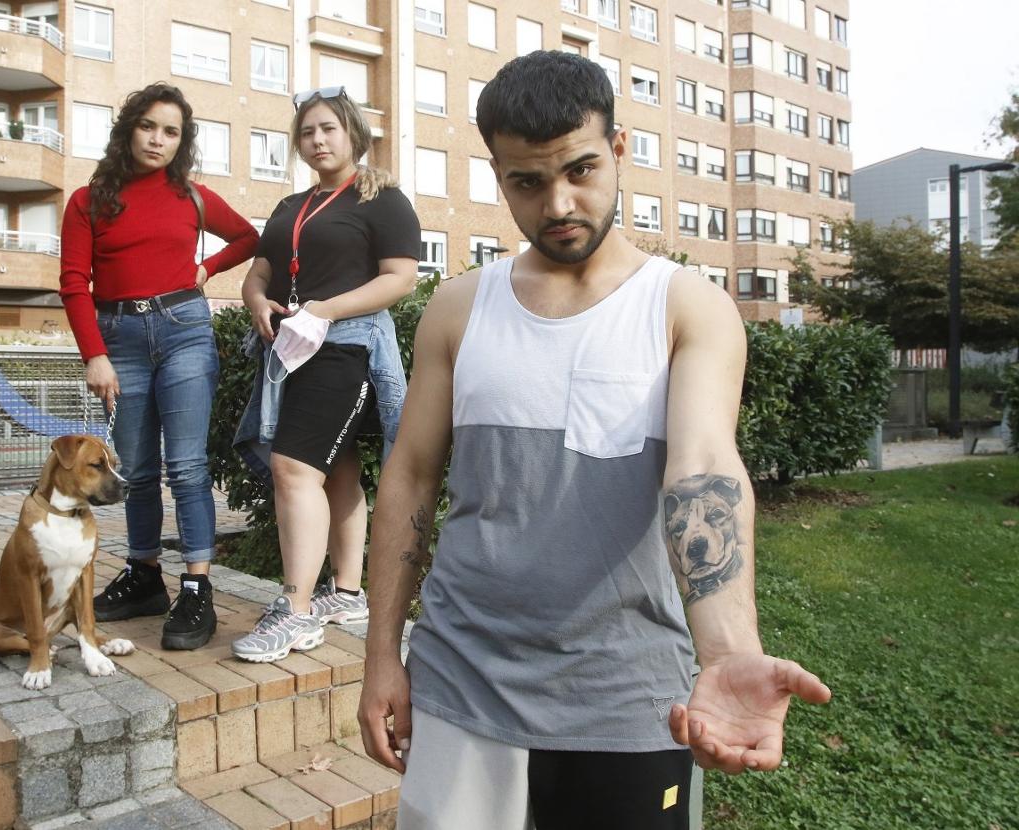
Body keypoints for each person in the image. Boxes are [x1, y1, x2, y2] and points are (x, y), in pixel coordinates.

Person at [356, 52, 832, 829]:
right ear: (498, 176)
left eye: (580, 169)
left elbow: (703, 470)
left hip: (630, 698)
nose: (559, 202)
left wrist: (730, 651)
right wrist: (382, 655)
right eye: (527, 182)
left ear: (618, 150)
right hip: (463, 684)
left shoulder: (688, 308)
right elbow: (407, 478)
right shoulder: (458, 308)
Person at [60, 82, 258, 651]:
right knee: (138, 470)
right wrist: (94, 354)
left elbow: (247, 237)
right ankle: (145, 577)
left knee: (189, 466)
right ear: (129, 128)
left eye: (171, 131)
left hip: (184, 332)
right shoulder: (89, 199)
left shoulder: (191, 197)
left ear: (181, 141)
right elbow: (74, 283)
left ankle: (196, 588)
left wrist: (207, 267)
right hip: (118, 340)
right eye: (149, 126)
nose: (158, 139)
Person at [231, 86, 420, 663]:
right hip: (292, 351)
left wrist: (326, 309)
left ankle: (297, 611)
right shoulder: (291, 207)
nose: (317, 140)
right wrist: (257, 300)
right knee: (332, 469)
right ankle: (346, 592)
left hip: (346, 347)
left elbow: (401, 278)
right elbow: (258, 274)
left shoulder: (380, 197)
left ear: (353, 135)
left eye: (329, 129)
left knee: (292, 467)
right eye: (307, 132)